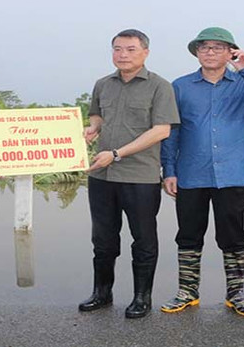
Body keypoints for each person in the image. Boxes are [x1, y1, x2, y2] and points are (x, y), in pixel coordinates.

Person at [160, 28, 244, 318]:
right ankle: (188, 291)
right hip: (191, 172)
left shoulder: (243, 83)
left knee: (233, 235)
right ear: (196, 52)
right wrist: (169, 170)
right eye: (204, 47)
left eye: (218, 47)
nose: (210, 52)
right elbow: (171, 132)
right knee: (188, 234)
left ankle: (236, 293)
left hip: (234, 172)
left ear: (231, 52)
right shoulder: (180, 86)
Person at [79, 28, 179, 319]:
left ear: (145, 52)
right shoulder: (102, 84)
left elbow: (161, 130)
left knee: (143, 240)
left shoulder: (160, 86)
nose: (123, 55)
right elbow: (97, 115)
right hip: (101, 176)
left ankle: (141, 297)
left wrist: (118, 153)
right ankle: (102, 293)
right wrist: (93, 128)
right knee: (103, 239)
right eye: (117, 49)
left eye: (130, 49)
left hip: (140, 176)